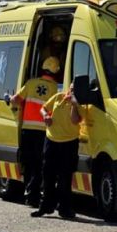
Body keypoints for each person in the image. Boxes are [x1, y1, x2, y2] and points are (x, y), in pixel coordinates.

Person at [10, 57, 60, 207]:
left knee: (29, 163)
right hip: (43, 132)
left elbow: (15, 100)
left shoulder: (31, 83)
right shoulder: (54, 88)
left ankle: (29, 194)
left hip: (27, 130)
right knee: (40, 165)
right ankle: (35, 195)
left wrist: (9, 99)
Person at [31, 82, 82, 219]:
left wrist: (74, 104)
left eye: (74, 91)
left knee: (65, 177)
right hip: (51, 140)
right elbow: (43, 108)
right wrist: (45, 116)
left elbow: (75, 120)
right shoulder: (58, 97)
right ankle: (46, 206)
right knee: (47, 174)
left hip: (69, 142)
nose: (71, 92)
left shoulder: (80, 104)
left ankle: (64, 208)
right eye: (70, 89)